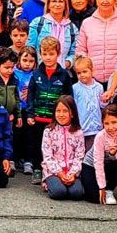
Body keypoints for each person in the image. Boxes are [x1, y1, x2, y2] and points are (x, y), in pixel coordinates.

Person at [24, 36, 74, 180]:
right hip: (38, 118)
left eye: (51, 54)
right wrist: (30, 114)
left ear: (57, 54)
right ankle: (37, 170)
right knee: (37, 144)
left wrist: (66, 116)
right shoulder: (36, 74)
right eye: (44, 54)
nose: (47, 57)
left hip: (55, 119)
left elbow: (68, 98)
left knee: (54, 146)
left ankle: (54, 170)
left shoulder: (64, 75)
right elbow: (30, 96)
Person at [81, 104, 117, 205]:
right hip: (90, 165)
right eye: (107, 123)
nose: (111, 127)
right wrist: (101, 187)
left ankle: (110, 190)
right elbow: (98, 162)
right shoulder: (100, 136)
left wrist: (113, 152)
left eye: (114, 122)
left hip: (109, 163)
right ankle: (87, 183)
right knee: (95, 198)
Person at [41, 96, 86, 201]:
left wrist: (72, 174)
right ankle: (48, 183)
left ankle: (68, 184)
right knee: (59, 192)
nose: (61, 114)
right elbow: (47, 156)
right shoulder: (48, 131)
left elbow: (79, 156)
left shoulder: (78, 132)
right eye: (58, 111)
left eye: (65, 111)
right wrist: (60, 173)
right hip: (53, 172)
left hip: (72, 172)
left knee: (77, 193)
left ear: (72, 113)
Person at [27, 0, 78, 69]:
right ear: (48, 4)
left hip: (62, 72)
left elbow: (74, 52)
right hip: (40, 71)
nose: (57, 4)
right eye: (54, 1)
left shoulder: (72, 28)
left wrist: (67, 63)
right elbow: (30, 48)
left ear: (65, 5)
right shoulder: (37, 23)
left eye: (61, 1)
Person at [72, 55, 105, 147]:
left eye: (84, 72)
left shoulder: (99, 87)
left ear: (92, 71)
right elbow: (73, 107)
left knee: (94, 151)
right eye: (78, 73)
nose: (82, 75)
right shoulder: (75, 88)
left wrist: (105, 100)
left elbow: (102, 106)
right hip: (82, 128)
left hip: (96, 127)